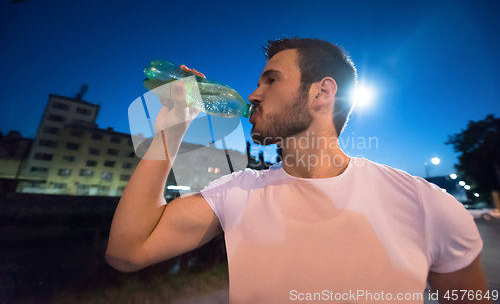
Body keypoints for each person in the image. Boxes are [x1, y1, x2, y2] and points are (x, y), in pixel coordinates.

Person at [106, 37, 490, 303]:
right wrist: (169, 132)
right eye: (257, 82)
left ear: (321, 93)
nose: (253, 95)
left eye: (271, 80)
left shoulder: (425, 203)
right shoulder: (236, 192)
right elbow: (127, 252)